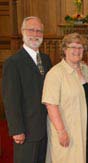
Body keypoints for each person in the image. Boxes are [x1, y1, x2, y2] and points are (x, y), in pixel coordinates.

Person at [2, 16, 52, 163]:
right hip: (26, 130)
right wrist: (17, 129)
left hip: (45, 128)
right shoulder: (13, 63)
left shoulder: (46, 59)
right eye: (31, 30)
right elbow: (10, 99)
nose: (35, 34)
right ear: (23, 32)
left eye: (39, 31)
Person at [42, 33, 88, 162]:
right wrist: (61, 131)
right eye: (73, 47)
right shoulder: (55, 74)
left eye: (80, 47)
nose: (77, 51)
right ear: (64, 49)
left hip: (87, 129)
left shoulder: (86, 70)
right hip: (68, 131)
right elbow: (51, 105)